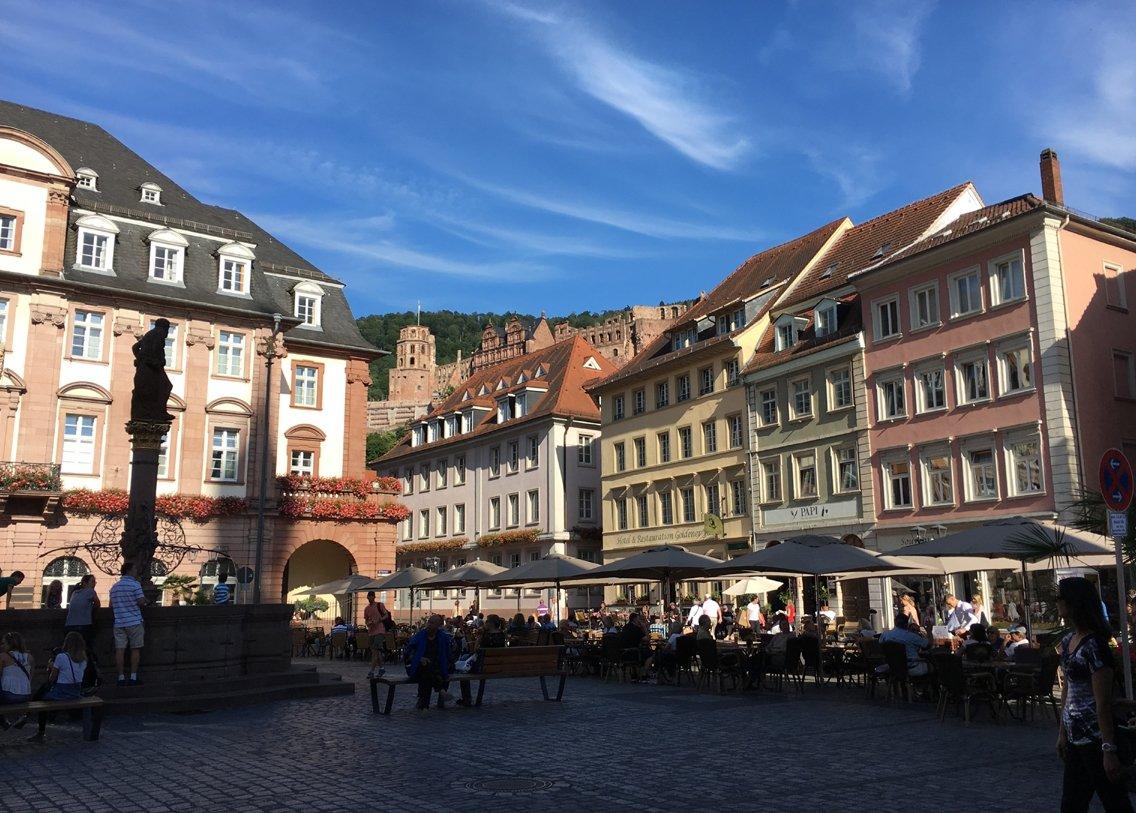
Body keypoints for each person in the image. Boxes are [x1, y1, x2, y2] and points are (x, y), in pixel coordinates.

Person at [1056, 576, 1133, 812]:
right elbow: (1067, 690)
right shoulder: (1069, 640)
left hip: (1095, 737)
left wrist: (1108, 749)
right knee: (1072, 804)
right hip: (1075, 735)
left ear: (1073, 603)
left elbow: (1102, 702)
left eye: (1060, 598)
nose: (1056, 603)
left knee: (1114, 802)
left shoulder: (1094, 645)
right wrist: (1062, 732)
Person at [110, 562, 147, 686]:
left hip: (119, 622)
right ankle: (133, 677)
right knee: (135, 649)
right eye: (135, 568)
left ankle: (120, 677)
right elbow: (141, 602)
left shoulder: (114, 587)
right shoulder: (135, 585)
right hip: (134, 621)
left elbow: (111, 605)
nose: (136, 571)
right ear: (130, 570)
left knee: (119, 650)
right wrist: (146, 601)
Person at [405, 614, 453, 711]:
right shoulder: (420, 635)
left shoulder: (442, 637)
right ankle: (441, 690)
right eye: (429, 622)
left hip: (436, 669)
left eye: (432, 623)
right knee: (426, 666)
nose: (429, 625)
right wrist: (419, 658)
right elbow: (408, 652)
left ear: (438, 626)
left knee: (427, 675)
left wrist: (448, 669)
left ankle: (424, 705)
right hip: (418, 667)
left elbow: (448, 655)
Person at [0, 631, 32, 730]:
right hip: (25, 696)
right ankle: (20, 717)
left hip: (8, 696)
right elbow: (30, 678)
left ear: (11, 644)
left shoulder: (3, 656)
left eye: (3, 643)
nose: (1, 645)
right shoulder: (30, 657)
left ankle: (3, 720)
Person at [364, 591, 393, 679]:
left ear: (374, 597)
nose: (369, 598)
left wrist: (379, 620)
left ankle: (371, 671)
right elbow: (366, 620)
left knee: (375, 651)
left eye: (371, 596)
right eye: (368, 597)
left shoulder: (379, 605)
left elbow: (386, 615)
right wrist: (368, 623)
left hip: (380, 631)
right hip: (371, 631)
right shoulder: (366, 608)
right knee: (376, 652)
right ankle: (381, 668)